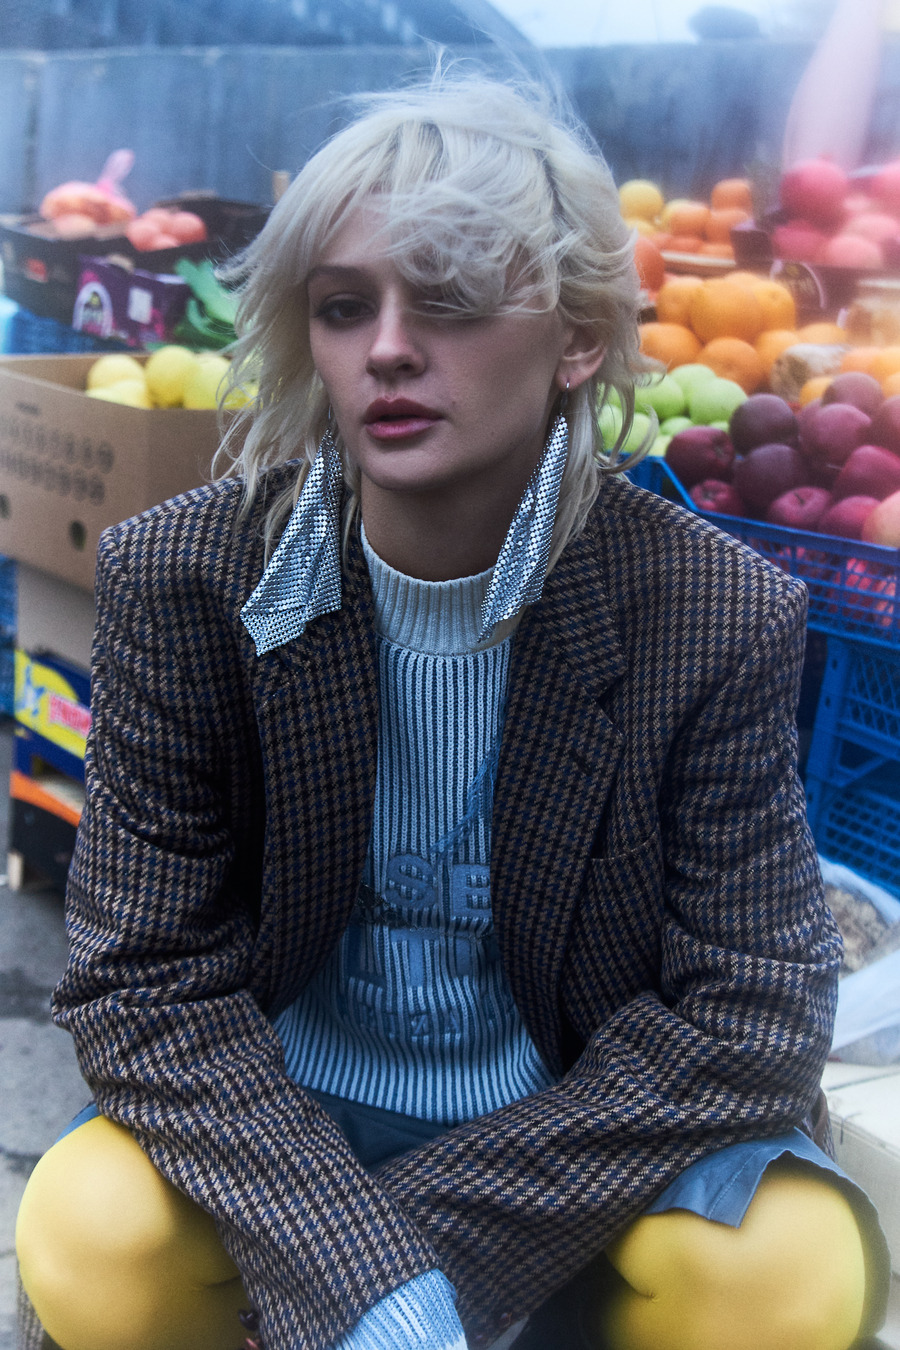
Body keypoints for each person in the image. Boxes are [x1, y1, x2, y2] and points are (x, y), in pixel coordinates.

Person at [15, 69, 890, 1350]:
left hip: (576, 1120)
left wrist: (408, 1271)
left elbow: (750, 1010)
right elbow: (140, 979)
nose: (386, 348)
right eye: (342, 306)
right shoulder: (187, 577)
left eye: (452, 298)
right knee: (93, 1230)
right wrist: (348, 1256)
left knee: (787, 1271)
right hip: (285, 1112)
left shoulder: (712, 608)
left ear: (577, 337)